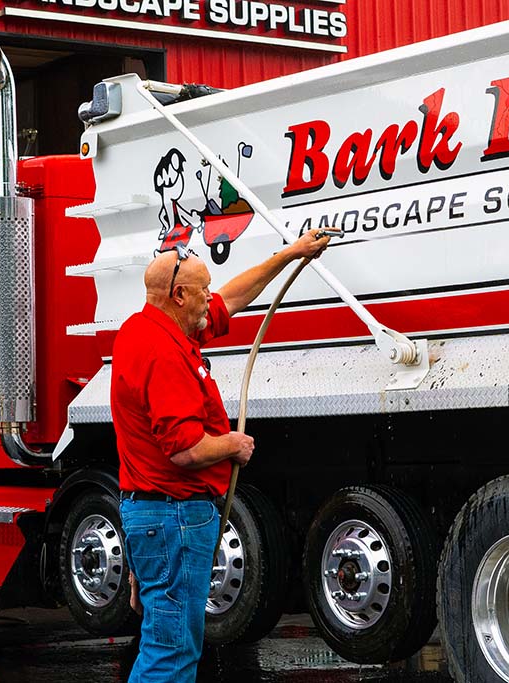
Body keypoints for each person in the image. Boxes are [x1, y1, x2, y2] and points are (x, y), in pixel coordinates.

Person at [113, 229, 335, 683]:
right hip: (174, 516)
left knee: (164, 637)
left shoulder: (145, 331)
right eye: (202, 291)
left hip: (153, 515)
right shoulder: (163, 354)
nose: (210, 299)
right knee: (171, 648)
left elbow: (231, 299)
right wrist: (234, 444)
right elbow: (185, 449)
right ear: (179, 295)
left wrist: (290, 254)